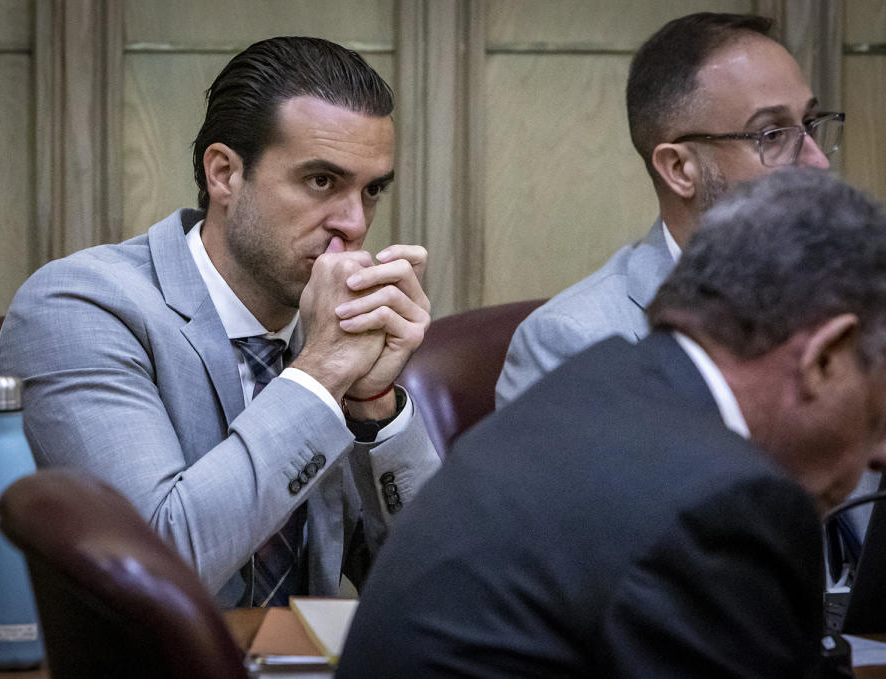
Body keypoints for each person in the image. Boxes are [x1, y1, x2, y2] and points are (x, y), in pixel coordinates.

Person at [0, 37, 441, 610]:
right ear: (225, 173)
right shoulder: (78, 305)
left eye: (372, 189)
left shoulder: (327, 332)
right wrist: (322, 373)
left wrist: (373, 402)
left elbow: (448, 590)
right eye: (322, 181)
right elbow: (153, 570)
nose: (353, 224)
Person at [337, 169, 886, 678]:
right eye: (879, 409)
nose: (880, 454)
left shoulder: (593, 386)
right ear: (824, 358)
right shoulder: (727, 503)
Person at [496, 12, 842, 408]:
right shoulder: (573, 342)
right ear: (679, 169)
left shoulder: (850, 301)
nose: (817, 161)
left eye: (811, 123)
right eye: (774, 134)